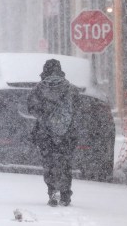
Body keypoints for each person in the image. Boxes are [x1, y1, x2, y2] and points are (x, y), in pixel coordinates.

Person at [27, 59, 80, 207]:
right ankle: (65, 194)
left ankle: (52, 191)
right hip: (67, 133)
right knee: (65, 163)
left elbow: (31, 108)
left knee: (49, 162)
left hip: (45, 133)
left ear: (45, 71)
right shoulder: (71, 89)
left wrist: (45, 115)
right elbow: (77, 109)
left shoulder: (39, 89)